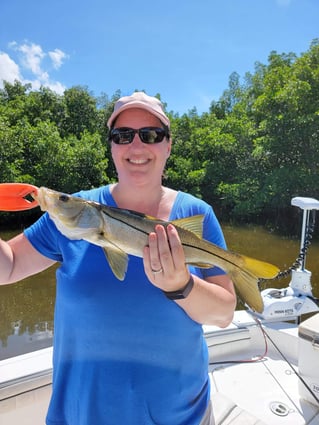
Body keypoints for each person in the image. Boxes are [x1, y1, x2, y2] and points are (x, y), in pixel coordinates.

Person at [0, 91, 236, 425]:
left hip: (181, 417)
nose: (136, 146)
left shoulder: (197, 214)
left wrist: (182, 286)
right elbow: (7, 265)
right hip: (82, 415)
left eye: (151, 135)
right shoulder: (71, 214)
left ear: (168, 145)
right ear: (111, 147)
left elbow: (225, 313)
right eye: (122, 136)